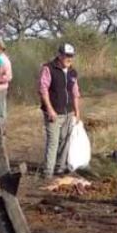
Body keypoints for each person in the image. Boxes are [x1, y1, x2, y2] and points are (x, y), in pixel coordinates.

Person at [37, 42, 81, 178]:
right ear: (60, 55)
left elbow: (75, 92)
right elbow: (43, 90)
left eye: (71, 56)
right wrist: (50, 110)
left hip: (68, 112)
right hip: (54, 112)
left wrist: (77, 111)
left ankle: (60, 167)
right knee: (53, 142)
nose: (69, 58)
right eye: (67, 55)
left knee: (65, 141)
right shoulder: (48, 69)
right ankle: (48, 171)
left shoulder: (73, 72)